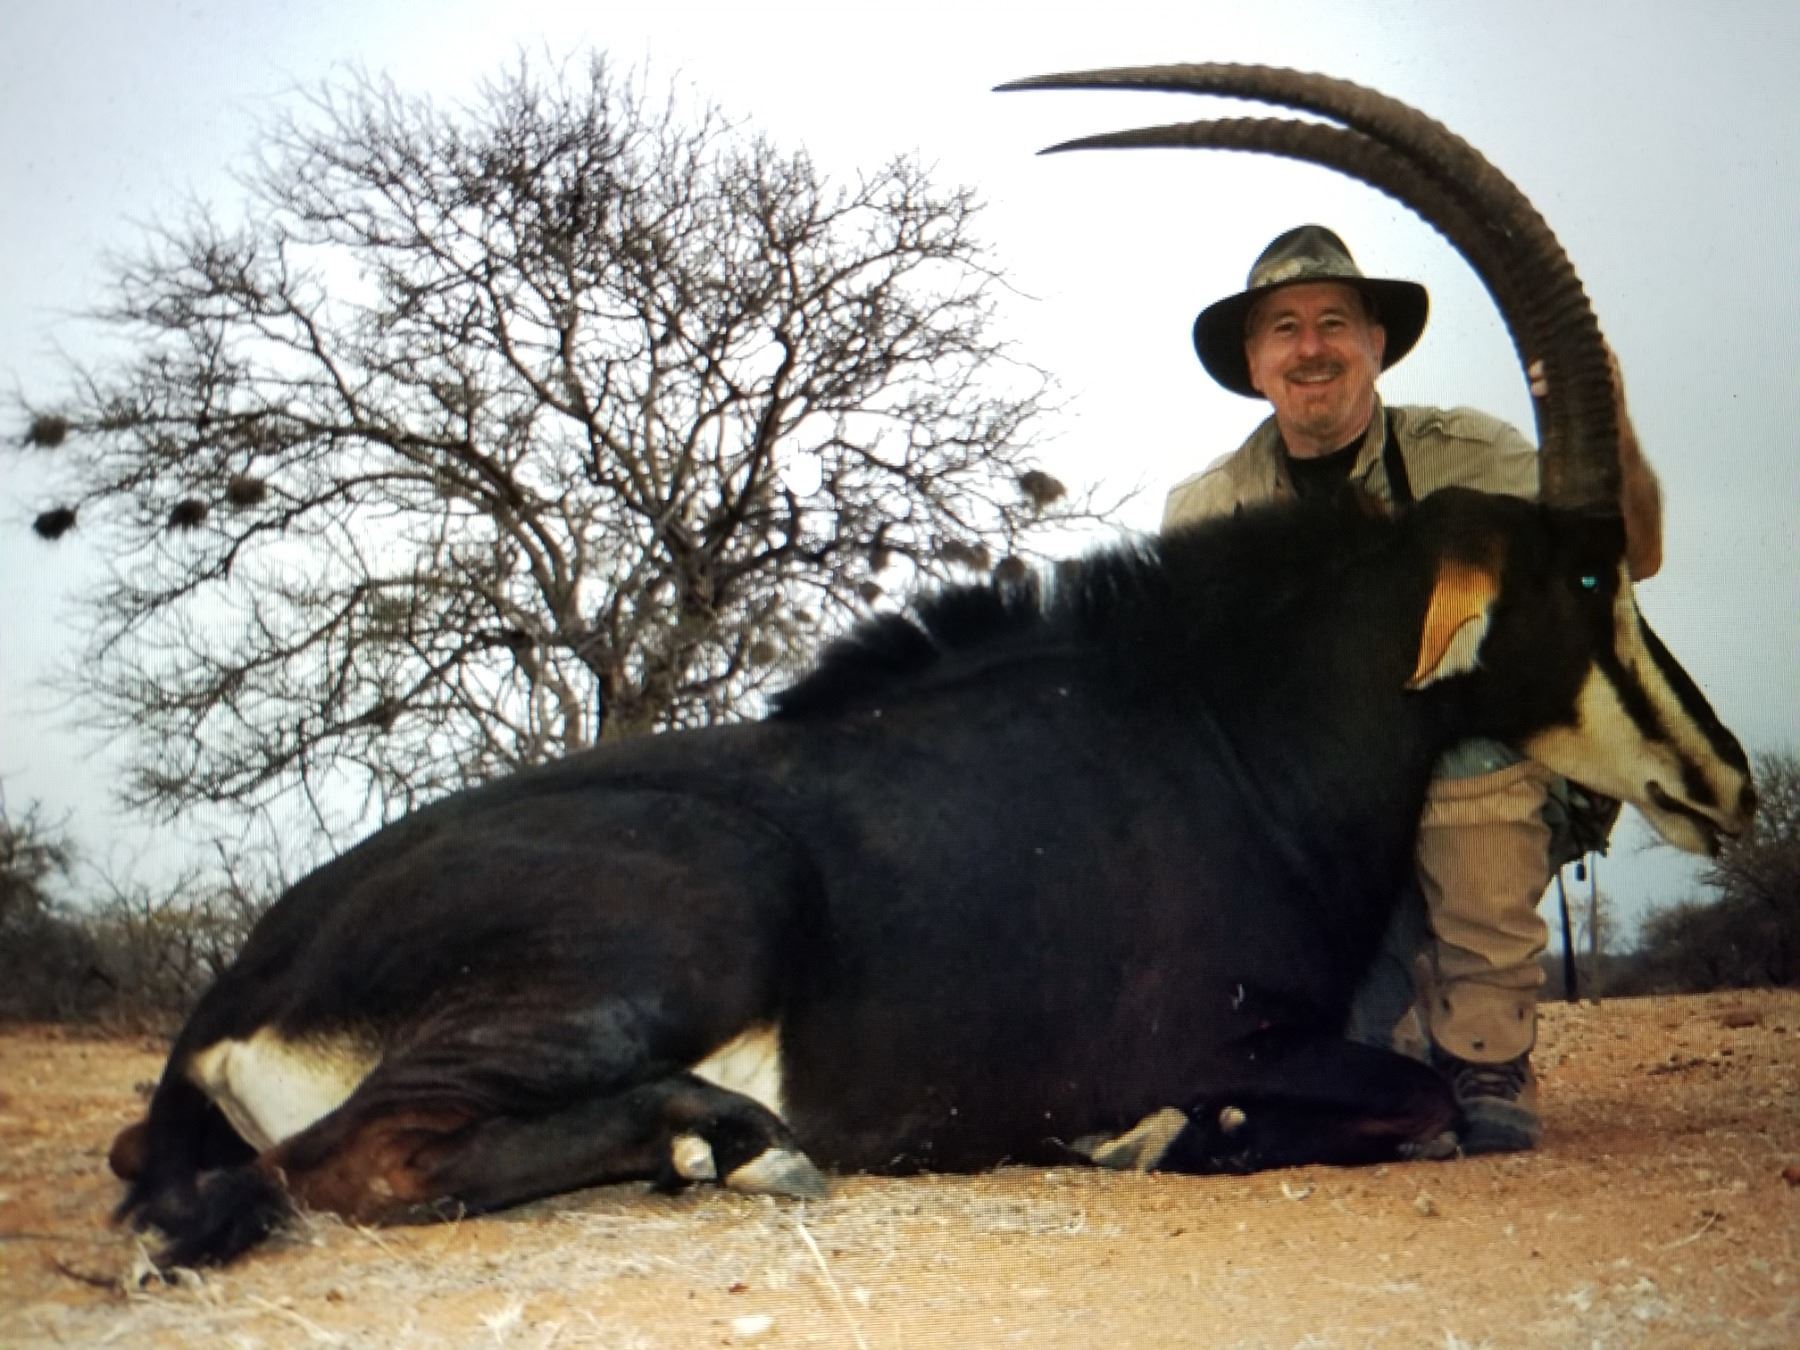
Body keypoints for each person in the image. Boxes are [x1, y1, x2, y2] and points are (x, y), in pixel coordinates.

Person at [1164, 225, 1662, 1153]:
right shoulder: (1203, 510)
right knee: (1336, 1075)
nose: (1311, 348)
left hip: (1480, 785)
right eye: (1284, 328)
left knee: (1456, 742)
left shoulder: (1469, 456)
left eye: (1333, 322)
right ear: (1255, 362)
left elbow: (1630, 554)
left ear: (1376, 343)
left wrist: (1608, 420)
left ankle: (1489, 1052)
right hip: (1326, 830)